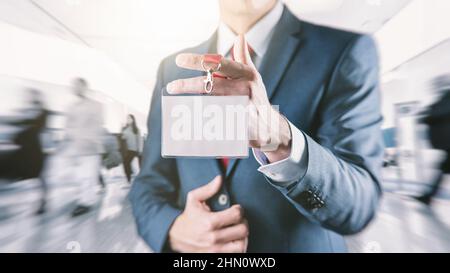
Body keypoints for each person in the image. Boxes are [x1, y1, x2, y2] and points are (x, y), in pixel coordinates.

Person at [129, 0, 383, 253]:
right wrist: (172, 229)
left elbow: (358, 206)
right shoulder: (174, 71)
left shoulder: (343, 52)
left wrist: (285, 144)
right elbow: (149, 184)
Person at [64, 78, 104, 217]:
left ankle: (85, 203)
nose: (75, 88)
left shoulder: (96, 106)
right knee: (80, 177)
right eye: (73, 86)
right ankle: (85, 199)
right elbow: (68, 126)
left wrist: (91, 140)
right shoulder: (71, 107)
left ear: (84, 87)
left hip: (90, 147)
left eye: (77, 86)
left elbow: (98, 125)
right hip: (77, 147)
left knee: (87, 177)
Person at [416, 77, 450, 205]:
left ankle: (428, 197)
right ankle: (428, 197)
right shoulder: (443, 99)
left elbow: (438, 112)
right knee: (441, 170)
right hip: (448, 144)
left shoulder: (448, 97)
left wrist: (426, 115)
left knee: (441, 171)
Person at [120, 114, 141, 183]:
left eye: (129, 118)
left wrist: (140, 150)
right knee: (126, 163)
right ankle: (129, 178)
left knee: (127, 163)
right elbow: (123, 138)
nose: (128, 119)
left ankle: (130, 177)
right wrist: (122, 129)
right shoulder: (126, 129)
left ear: (133, 120)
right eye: (127, 118)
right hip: (129, 150)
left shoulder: (136, 129)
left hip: (135, 150)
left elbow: (140, 140)